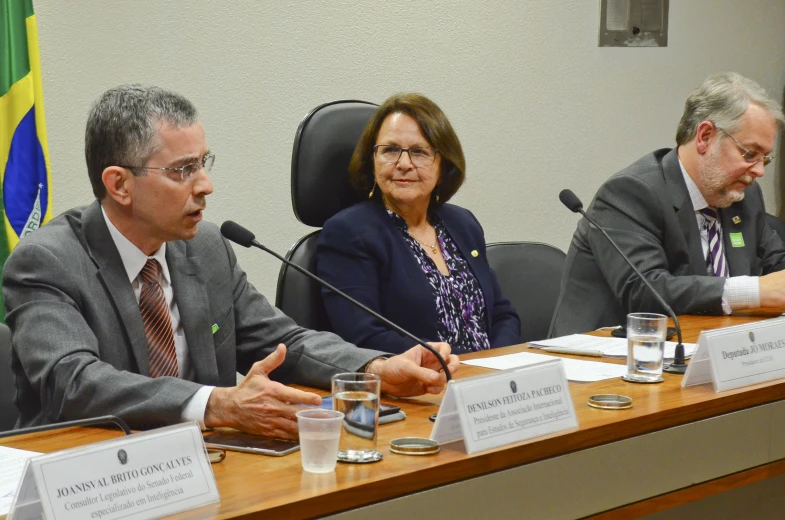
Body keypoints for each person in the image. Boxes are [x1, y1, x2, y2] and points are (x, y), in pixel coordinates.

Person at [2, 85, 459, 438]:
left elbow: (285, 342)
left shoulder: (204, 248)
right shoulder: (47, 263)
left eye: (204, 163)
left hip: (208, 464)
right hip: (88, 479)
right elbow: (75, 383)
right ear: (120, 185)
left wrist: (374, 368)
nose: (205, 185)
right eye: (183, 170)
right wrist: (215, 404)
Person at [549, 72, 785, 337]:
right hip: (601, 359)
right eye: (750, 153)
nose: (758, 171)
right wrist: (752, 292)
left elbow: (776, 264)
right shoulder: (631, 193)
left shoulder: (743, 196)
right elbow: (645, 292)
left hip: (705, 351)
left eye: (765, 158)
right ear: (705, 136)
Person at [316, 93, 520, 355]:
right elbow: (364, 336)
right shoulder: (348, 233)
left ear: (443, 163)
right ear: (372, 160)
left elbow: (502, 314)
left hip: (487, 382)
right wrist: (461, 365)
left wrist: (496, 365)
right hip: (421, 385)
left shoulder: (463, 223)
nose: (403, 164)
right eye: (390, 150)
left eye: (419, 152)